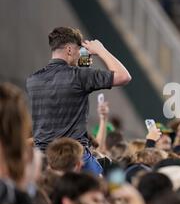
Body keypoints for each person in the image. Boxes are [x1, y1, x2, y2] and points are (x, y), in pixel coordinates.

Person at [26, 27, 131, 176]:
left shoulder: (32, 80)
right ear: (69, 49)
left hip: (42, 160)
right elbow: (123, 76)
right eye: (78, 50)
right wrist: (101, 50)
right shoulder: (80, 76)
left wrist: (83, 70)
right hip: (75, 157)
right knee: (104, 188)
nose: (79, 54)